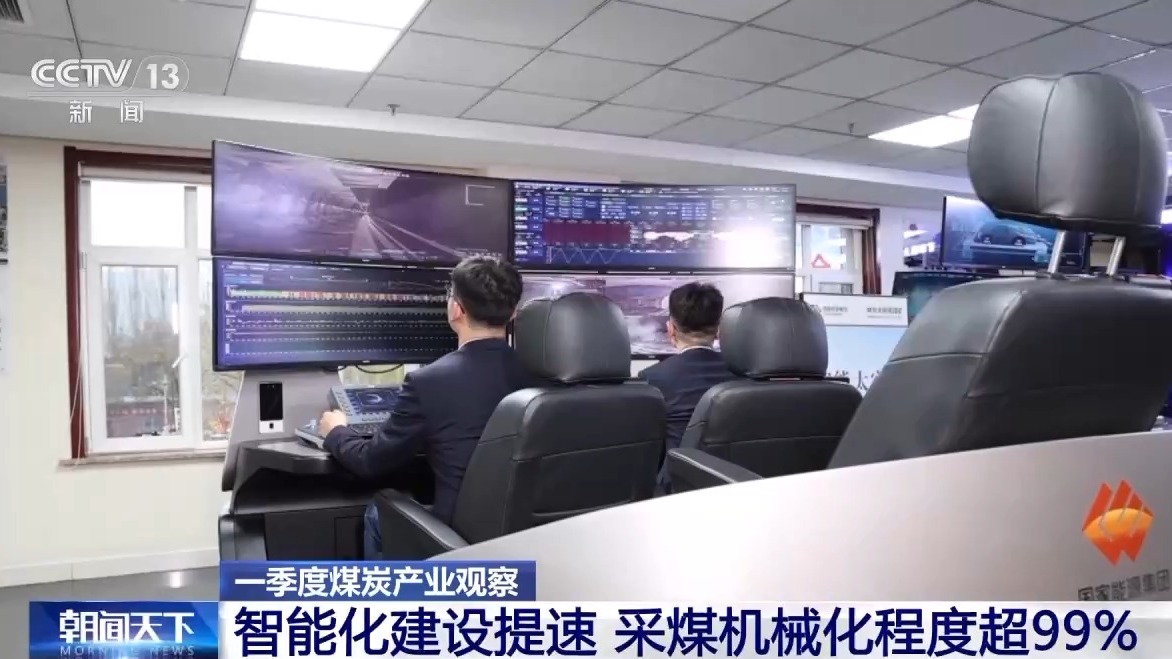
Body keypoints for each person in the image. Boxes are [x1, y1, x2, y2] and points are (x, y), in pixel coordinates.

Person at [318, 256, 539, 558]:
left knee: (377, 510)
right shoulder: (540, 375)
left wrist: (336, 431)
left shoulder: (429, 382)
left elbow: (369, 462)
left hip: (462, 537)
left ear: (455, 309)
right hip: (526, 536)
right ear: (513, 312)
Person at [638, 282, 738, 493]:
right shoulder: (740, 373)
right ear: (719, 330)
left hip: (677, 490)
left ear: (671, 329)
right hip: (734, 483)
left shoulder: (652, 378)